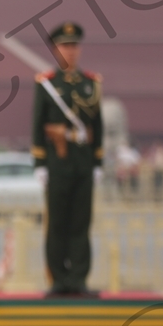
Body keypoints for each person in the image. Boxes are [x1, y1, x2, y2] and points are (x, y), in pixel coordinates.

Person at [31, 21, 104, 295]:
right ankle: (58, 279)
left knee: (81, 223)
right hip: (58, 163)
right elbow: (38, 125)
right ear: (55, 49)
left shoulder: (91, 83)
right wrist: (40, 163)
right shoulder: (47, 84)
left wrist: (97, 162)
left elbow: (98, 126)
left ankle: (79, 279)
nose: (70, 51)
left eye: (74, 46)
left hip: (83, 163)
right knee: (58, 223)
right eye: (65, 46)